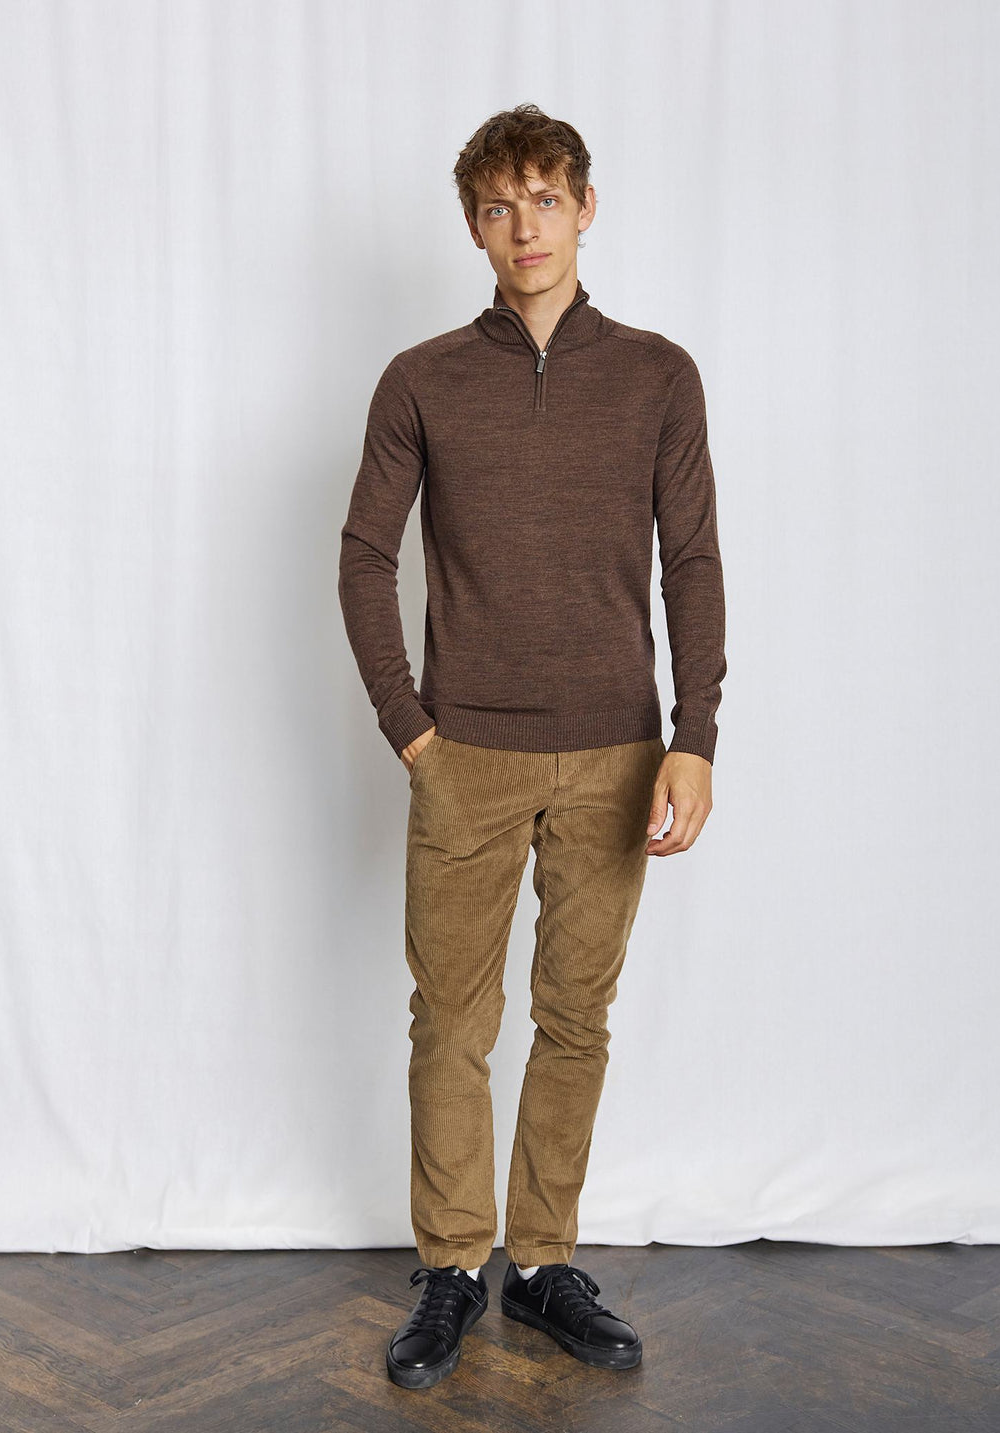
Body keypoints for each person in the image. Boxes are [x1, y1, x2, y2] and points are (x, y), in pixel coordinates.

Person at [338, 102, 727, 1390]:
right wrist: (411, 730)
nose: (526, 228)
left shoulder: (659, 374)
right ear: (473, 227)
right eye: (499, 207)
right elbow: (364, 555)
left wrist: (694, 736)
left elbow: (692, 562)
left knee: (574, 1017)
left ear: (586, 208)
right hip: (465, 757)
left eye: (547, 199)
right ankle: (454, 1268)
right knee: (450, 1021)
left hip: (617, 752)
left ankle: (544, 1262)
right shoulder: (422, 379)